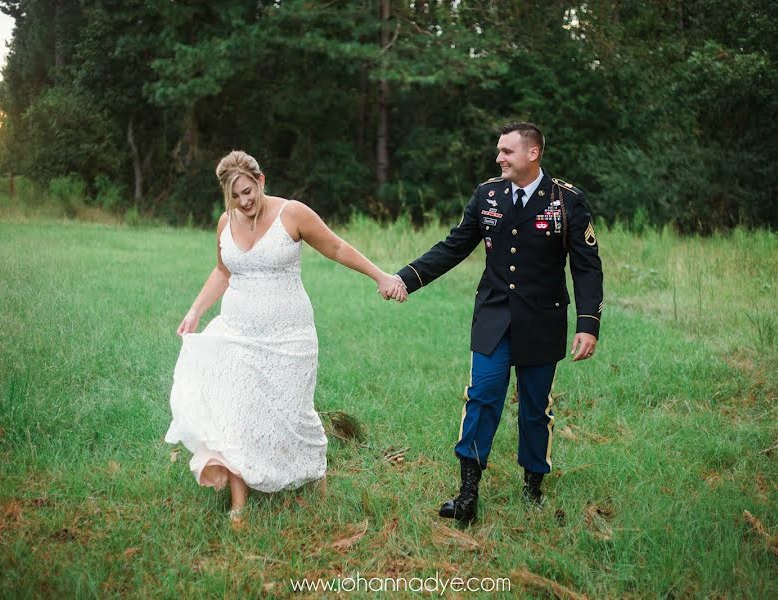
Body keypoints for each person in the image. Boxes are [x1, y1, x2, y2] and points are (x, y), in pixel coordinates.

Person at [165, 150, 406, 523]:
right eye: (236, 196)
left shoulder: (291, 213)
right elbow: (222, 272)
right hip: (237, 333)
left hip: (290, 337)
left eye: (249, 191)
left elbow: (337, 247)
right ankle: (239, 505)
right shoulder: (224, 223)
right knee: (238, 414)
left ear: (261, 181)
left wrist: (382, 276)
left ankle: (316, 486)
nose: (245, 201)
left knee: (294, 415)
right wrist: (195, 310)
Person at [392, 122, 603, 522]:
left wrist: (588, 323)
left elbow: (587, 266)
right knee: (482, 396)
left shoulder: (567, 201)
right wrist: (407, 277)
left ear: (532, 154)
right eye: (499, 151)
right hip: (493, 317)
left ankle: (533, 486)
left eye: (507, 151)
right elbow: (455, 246)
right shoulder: (487, 194)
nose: (499, 158)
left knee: (535, 407)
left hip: (543, 319)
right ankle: (468, 493)